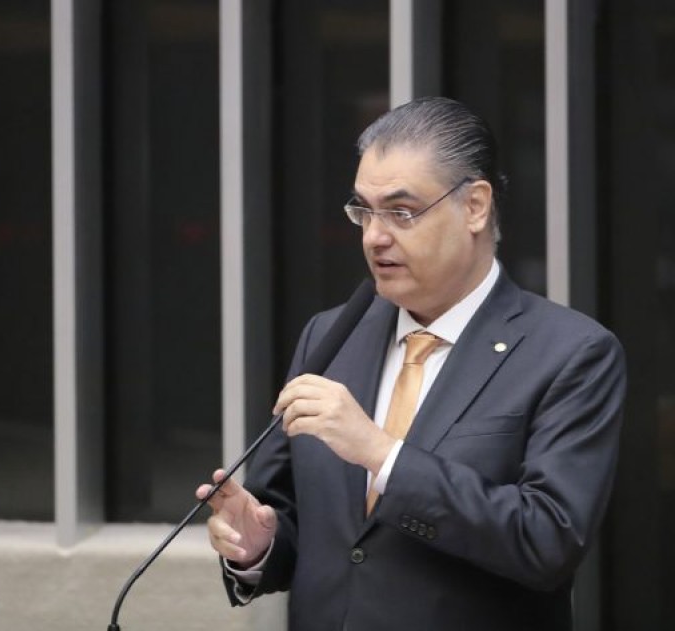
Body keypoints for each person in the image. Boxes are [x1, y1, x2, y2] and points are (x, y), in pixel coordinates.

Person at [195, 96, 626, 631]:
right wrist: (258, 545)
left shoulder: (570, 352)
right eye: (363, 210)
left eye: (401, 212)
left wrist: (381, 454)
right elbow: (306, 525)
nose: (375, 236)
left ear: (475, 206)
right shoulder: (331, 335)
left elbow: (547, 541)